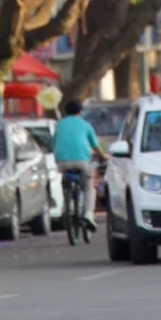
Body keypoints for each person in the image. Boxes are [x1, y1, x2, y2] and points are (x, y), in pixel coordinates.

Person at [52, 98, 105, 233]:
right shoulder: (85, 125)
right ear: (81, 111)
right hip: (82, 162)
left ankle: (67, 207)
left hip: (63, 162)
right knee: (88, 186)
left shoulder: (59, 125)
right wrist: (103, 156)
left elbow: (52, 144)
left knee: (65, 181)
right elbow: (95, 146)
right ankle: (88, 214)